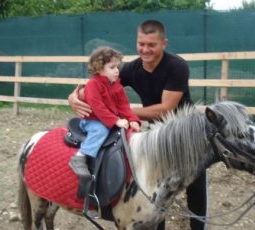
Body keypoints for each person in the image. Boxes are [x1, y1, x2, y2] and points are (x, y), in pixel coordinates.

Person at [68, 20, 207, 230]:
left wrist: (122, 114)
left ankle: (199, 227)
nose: (145, 49)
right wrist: (73, 97)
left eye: (152, 44)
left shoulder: (177, 66)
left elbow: (165, 110)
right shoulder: (131, 68)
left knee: (195, 184)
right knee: (157, 184)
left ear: (164, 43)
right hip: (157, 132)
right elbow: (98, 82)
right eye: (141, 43)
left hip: (185, 132)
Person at [69, 46, 140, 178]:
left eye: (117, 67)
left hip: (108, 120)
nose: (117, 71)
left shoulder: (117, 87)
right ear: (99, 68)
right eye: (112, 67)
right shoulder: (93, 85)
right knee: (101, 130)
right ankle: (80, 157)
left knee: (129, 134)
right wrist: (116, 120)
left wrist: (133, 120)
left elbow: (124, 107)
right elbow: (98, 108)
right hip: (93, 121)